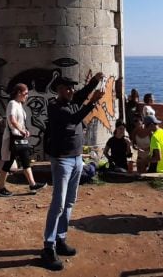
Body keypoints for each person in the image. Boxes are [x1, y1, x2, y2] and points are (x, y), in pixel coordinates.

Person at [41, 73, 105, 271]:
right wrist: (92, 103)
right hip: (62, 160)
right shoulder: (55, 106)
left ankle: (60, 238)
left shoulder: (73, 100)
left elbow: (83, 93)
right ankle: (48, 247)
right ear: (58, 89)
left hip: (77, 158)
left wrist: (94, 82)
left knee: (69, 202)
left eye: (72, 88)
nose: (70, 90)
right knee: (58, 203)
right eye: (66, 87)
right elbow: (75, 117)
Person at [0, 84, 45, 197]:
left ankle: (32, 184)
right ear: (19, 93)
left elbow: (20, 122)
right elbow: (12, 120)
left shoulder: (19, 105)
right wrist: (22, 131)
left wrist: (25, 130)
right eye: (25, 93)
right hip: (13, 138)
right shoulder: (12, 103)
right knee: (8, 163)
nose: (27, 96)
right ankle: (1, 187)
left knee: (25, 161)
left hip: (20, 137)